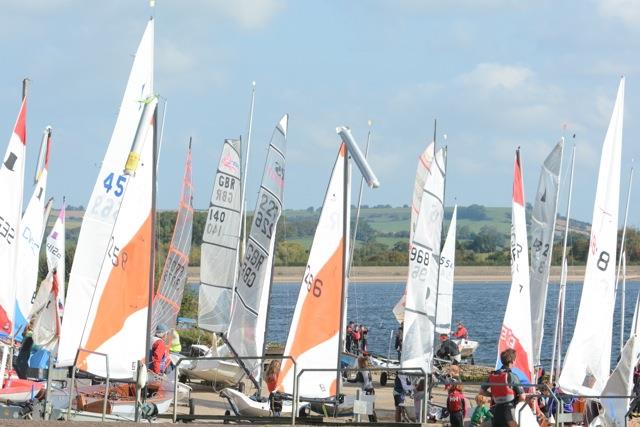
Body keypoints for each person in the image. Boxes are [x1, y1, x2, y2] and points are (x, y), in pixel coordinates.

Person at [480, 348, 525, 427]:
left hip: (496, 410)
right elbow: (522, 397)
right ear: (513, 361)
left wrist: (492, 395)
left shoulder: (493, 375)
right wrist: (516, 402)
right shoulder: (512, 376)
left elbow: (481, 391)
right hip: (508, 410)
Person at [357, 354, 377, 422]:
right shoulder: (367, 369)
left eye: (358, 362)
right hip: (371, 389)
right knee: (371, 409)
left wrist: (348, 379)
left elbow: (358, 380)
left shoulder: (361, 371)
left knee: (368, 410)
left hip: (367, 390)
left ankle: (373, 423)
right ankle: (374, 423)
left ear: (360, 362)